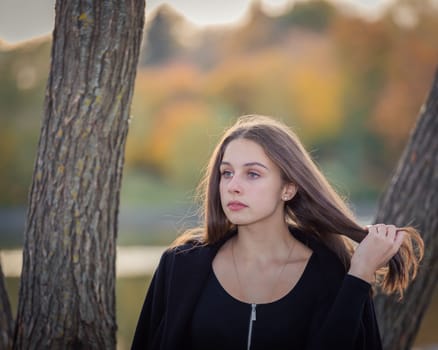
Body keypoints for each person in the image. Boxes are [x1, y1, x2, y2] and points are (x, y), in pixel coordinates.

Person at [131, 115, 424, 350]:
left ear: (288, 188)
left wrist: (359, 276)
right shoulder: (180, 266)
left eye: (253, 174)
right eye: (227, 172)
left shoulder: (333, 273)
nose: (233, 185)